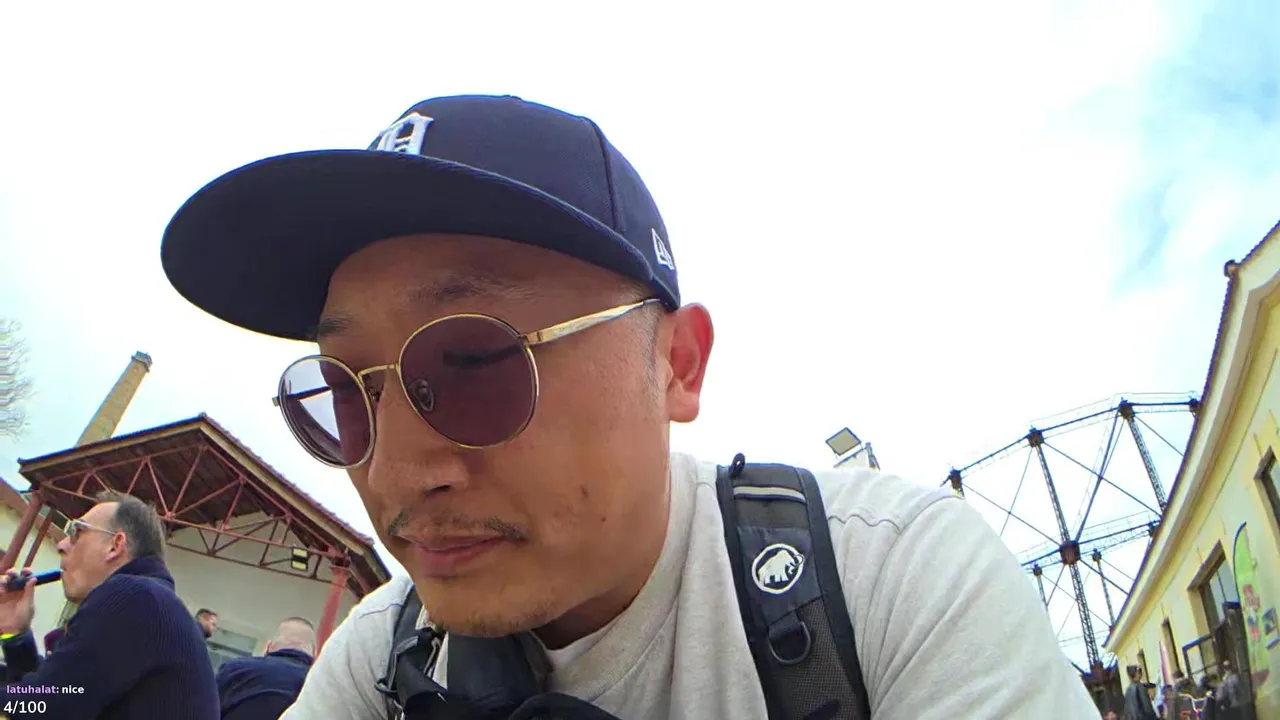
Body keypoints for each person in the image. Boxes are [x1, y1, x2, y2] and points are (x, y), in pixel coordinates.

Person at [161, 93, 1099, 719]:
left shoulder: (892, 584)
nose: (398, 473)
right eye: (344, 393)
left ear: (677, 365)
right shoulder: (379, 660)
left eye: (476, 361)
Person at [0, 491, 218, 718]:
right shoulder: (152, 601)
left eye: (77, 531)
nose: (62, 545)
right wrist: (16, 635)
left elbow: (47, 706)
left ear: (115, 545)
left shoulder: (133, 595)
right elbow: (55, 692)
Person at [216, 617, 316, 719]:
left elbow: (207, 709)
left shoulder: (235, 669)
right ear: (314, 654)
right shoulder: (315, 687)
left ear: (268, 646)